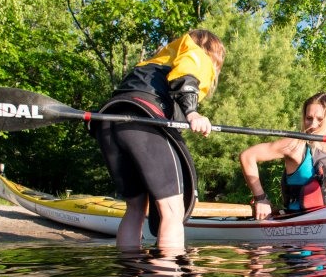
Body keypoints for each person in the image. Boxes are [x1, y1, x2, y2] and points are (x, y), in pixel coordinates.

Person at [93, 30, 226, 250]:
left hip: (108, 121)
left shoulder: (154, 62)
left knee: (135, 208)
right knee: (172, 211)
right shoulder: (195, 52)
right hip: (144, 122)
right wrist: (193, 113)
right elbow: (186, 78)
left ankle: (129, 273)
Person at [239, 92, 326, 220]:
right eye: (309, 118)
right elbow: (247, 156)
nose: (313, 125)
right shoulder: (296, 145)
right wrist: (261, 198)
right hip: (297, 223)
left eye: (320, 119)